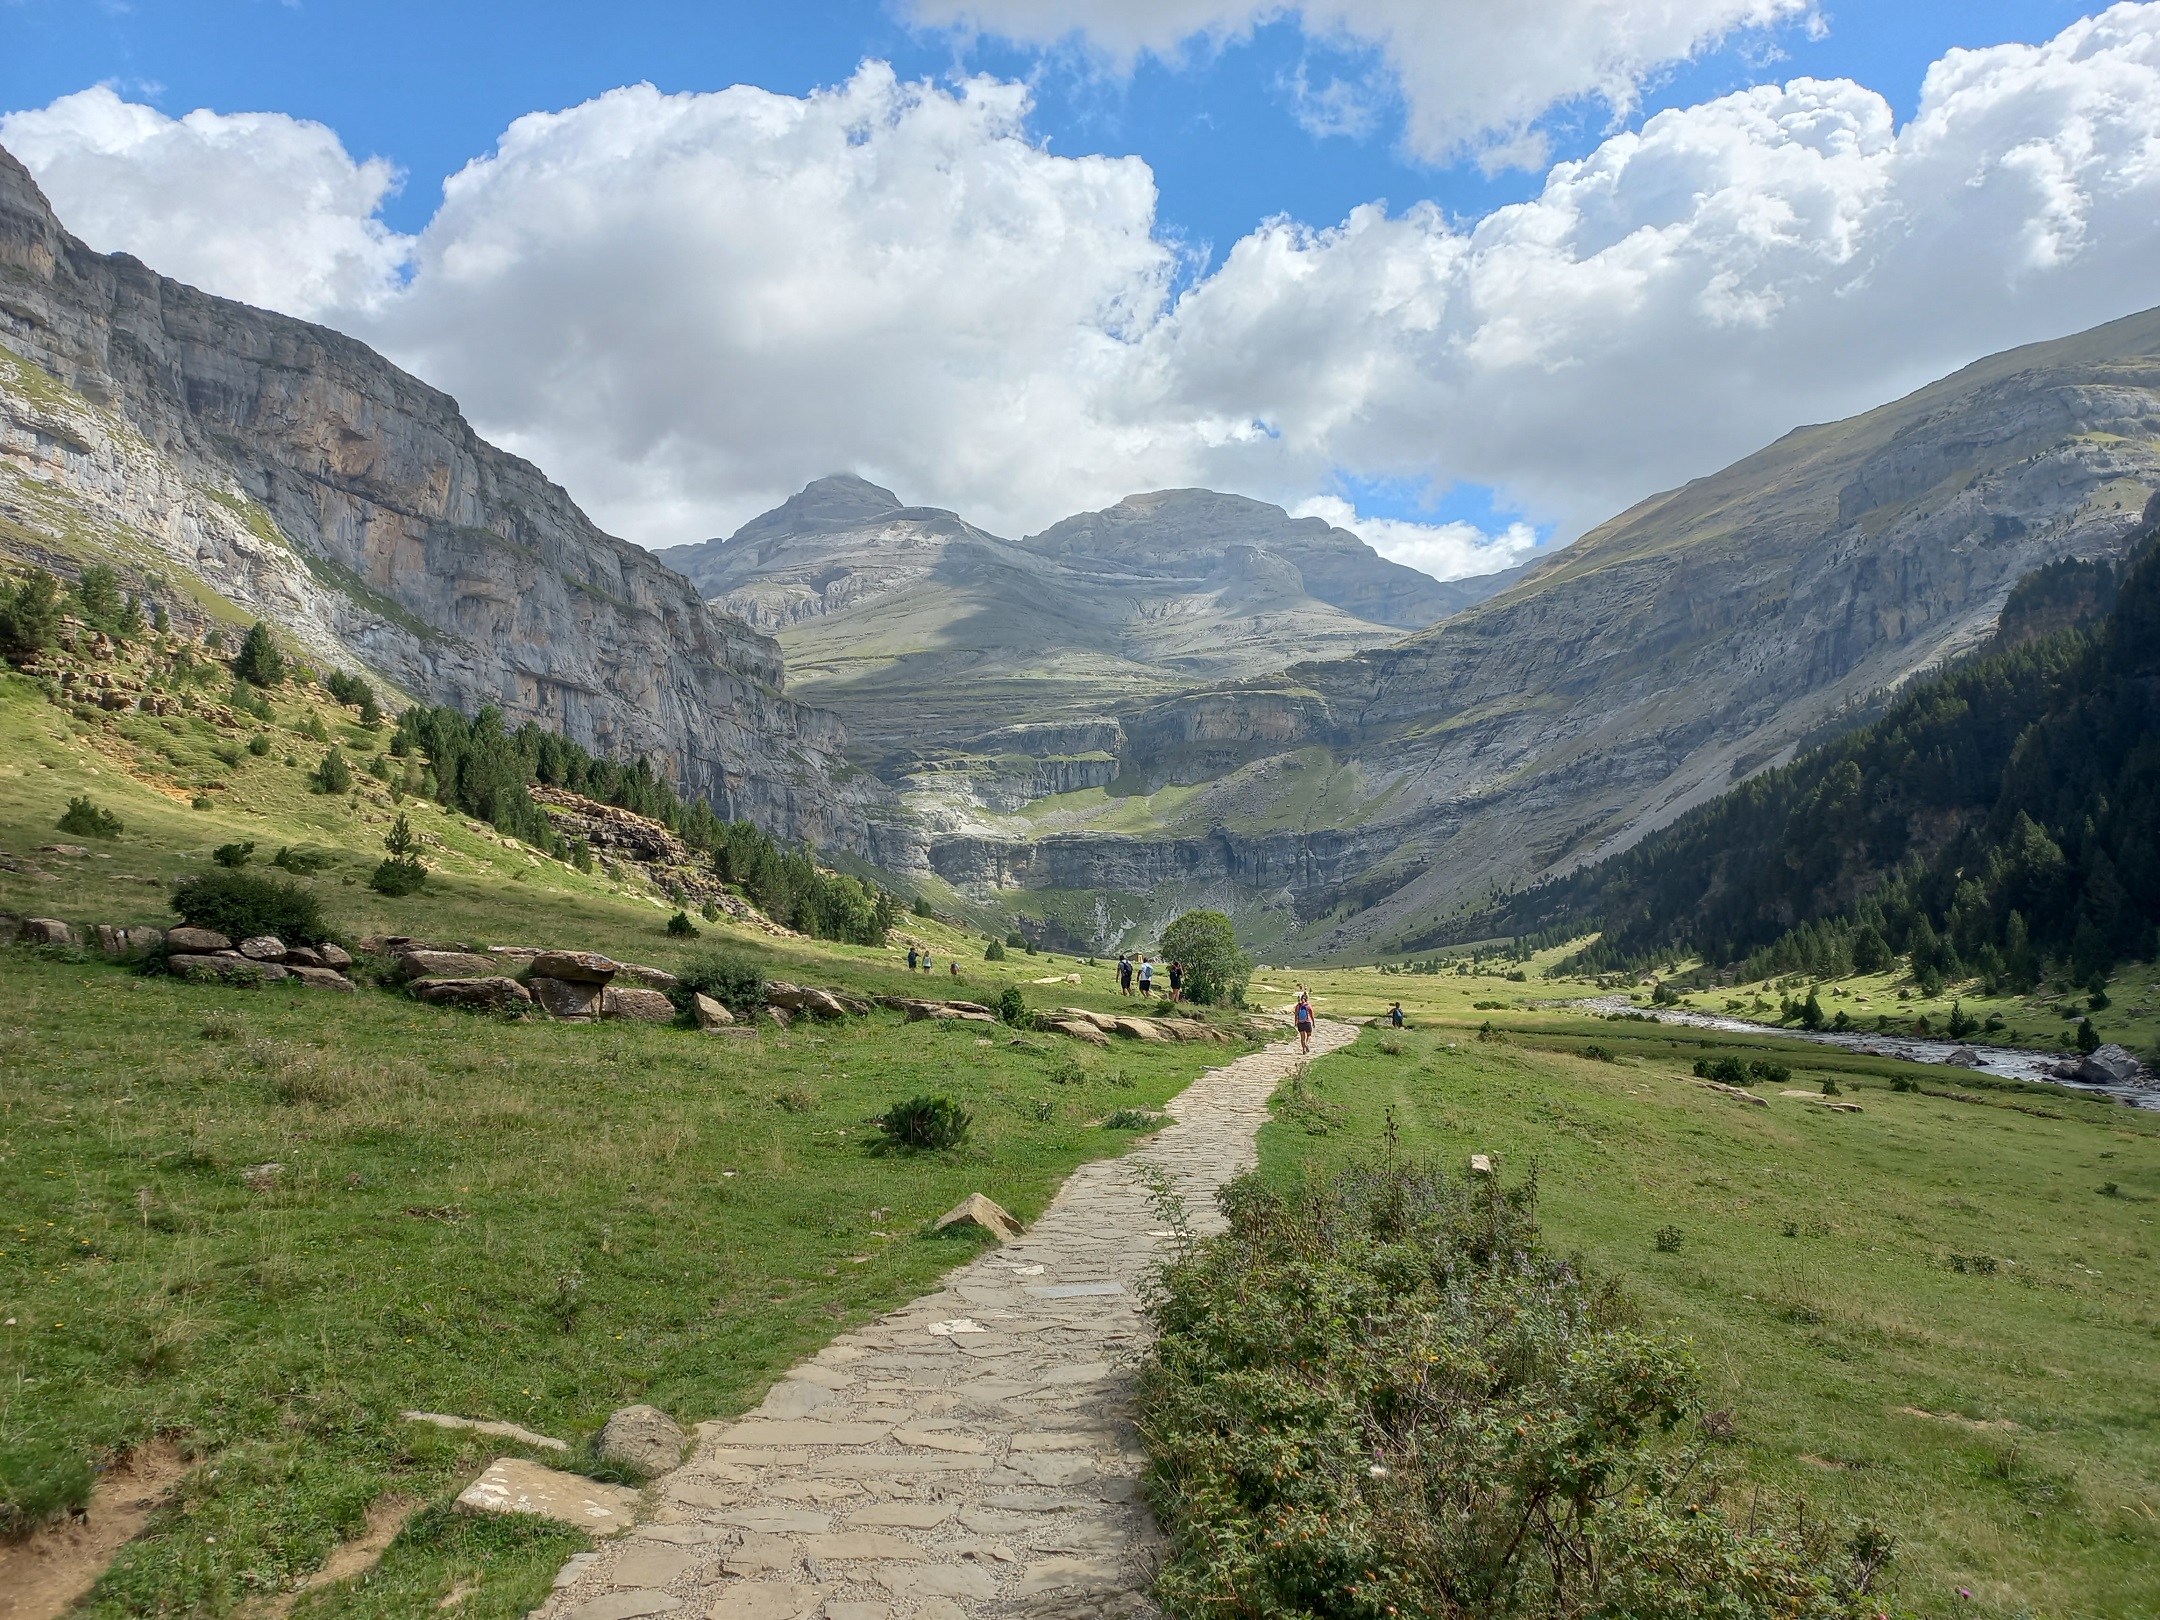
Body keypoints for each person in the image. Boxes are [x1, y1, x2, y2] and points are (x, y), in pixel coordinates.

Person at [1294, 988, 1314, 1054]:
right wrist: (1313, 1022)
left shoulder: (1298, 1006)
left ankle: (1304, 1050)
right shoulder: (1308, 1006)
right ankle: (1307, 1044)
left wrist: (1295, 1022)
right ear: (1307, 999)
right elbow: (1312, 1015)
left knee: (1302, 1037)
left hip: (1300, 1023)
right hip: (1307, 1022)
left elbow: (1296, 1014)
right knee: (1309, 1035)